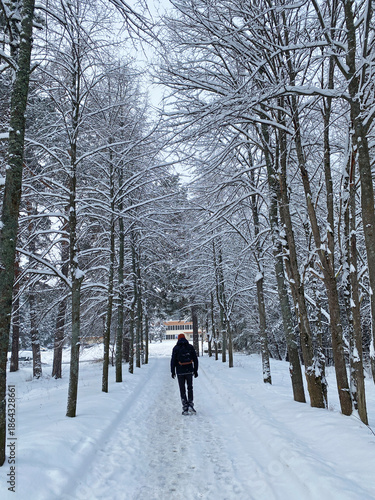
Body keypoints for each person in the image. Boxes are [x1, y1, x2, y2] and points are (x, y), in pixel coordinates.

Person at [171, 333, 198, 415]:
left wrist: (173, 371)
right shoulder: (190, 347)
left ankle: (185, 407)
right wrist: (195, 370)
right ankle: (190, 404)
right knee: (190, 388)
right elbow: (195, 359)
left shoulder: (176, 348)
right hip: (189, 370)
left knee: (182, 389)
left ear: (178, 339)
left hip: (180, 371)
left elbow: (173, 361)